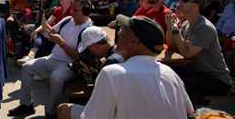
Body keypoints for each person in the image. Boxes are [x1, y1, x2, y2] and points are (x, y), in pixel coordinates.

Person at [63, 15, 194, 119]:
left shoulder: (111, 73)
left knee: (63, 110)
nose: (118, 31)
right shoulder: (171, 73)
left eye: (124, 29)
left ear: (134, 42)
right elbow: (189, 112)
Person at [7, 0, 92, 118]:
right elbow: (52, 33)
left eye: (76, 10)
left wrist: (61, 43)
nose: (72, 12)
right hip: (52, 58)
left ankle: (52, 112)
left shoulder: (88, 30)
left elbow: (78, 57)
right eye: (72, 8)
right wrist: (44, 23)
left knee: (56, 78)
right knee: (26, 67)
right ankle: (26, 105)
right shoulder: (68, 20)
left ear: (86, 12)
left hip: (69, 65)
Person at [166, 0, 233, 105]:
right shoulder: (187, 24)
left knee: (178, 85)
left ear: (197, 6)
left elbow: (187, 53)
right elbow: (172, 47)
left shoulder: (204, 27)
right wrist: (170, 27)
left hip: (216, 79)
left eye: (185, 0)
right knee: (168, 76)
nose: (179, 2)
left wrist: (175, 30)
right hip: (199, 73)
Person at [17, 0, 75, 66]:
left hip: (59, 39)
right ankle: (29, 56)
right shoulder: (58, 10)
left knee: (42, 37)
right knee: (37, 36)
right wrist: (36, 31)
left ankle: (30, 58)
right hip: (49, 34)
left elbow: (58, 31)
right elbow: (47, 22)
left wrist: (45, 27)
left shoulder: (72, 13)